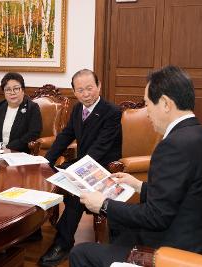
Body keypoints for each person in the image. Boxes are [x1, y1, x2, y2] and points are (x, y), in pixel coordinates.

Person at [69, 65, 202, 267]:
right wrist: (139, 186)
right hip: (200, 238)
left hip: (176, 253)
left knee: (80, 253)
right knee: (119, 224)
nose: (147, 111)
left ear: (166, 104)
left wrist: (103, 204)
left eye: (147, 104)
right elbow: (182, 192)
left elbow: (156, 217)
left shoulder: (173, 146)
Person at [38, 69, 122, 267]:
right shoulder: (77, 109)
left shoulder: (112, 112)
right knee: (50, 174)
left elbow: (99, 149)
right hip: (84, 163)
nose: (86, 94)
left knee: (76, 190)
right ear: (74, 92)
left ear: (99, 86)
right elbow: (65, 136)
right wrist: (46, 161)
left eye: (90, 88)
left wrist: (75, 170)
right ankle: (35, 230)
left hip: (105, 167)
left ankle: (63, 243)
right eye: (80, 90)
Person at [0, 72, 42, 153]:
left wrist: (9, 148)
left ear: (23, 90)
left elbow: (33, 133)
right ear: (4, 92)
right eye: (8, 89)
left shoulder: (32, 107)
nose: (12, 92)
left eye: (16, 88)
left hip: (18, 153)